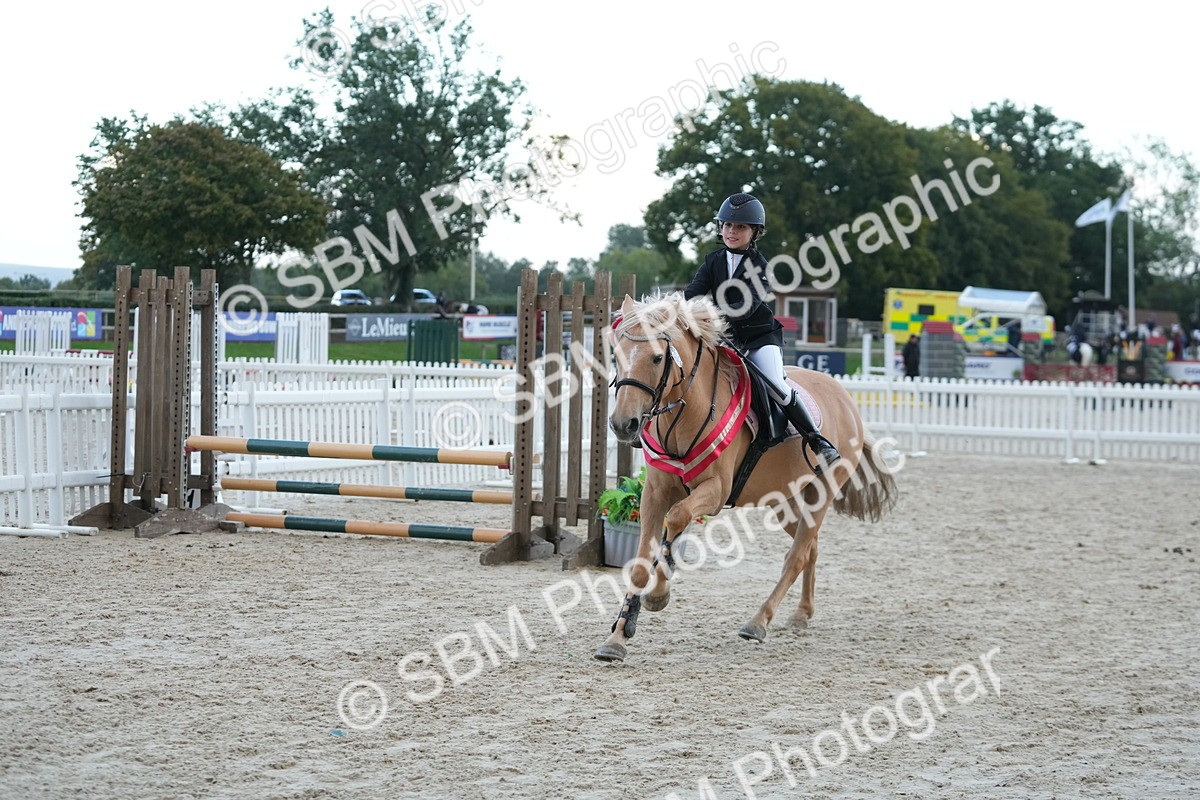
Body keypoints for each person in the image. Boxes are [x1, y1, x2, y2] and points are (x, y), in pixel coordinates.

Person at [683, 192, 840, 473]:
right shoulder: (712, 261)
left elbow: (744, 307)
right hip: (724, 339)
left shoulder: (761, 267)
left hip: (758, 339)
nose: (732, 231)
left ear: (754, 232)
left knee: (776, 384)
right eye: (727, 225)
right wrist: (675, 310)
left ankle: (817, 441)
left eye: (740, 226)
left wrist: (707, 315)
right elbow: (691, 294)